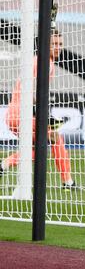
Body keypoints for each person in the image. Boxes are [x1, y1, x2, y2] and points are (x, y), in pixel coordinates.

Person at [0, 29, 77, 190]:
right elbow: (33, 92)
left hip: (14, 115)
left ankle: (3, 165)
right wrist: (45, 116)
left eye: (60, 44)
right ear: (45, 45)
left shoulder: (39, 61)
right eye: (54, 44)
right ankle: (68, 182)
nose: (58, 47)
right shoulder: (45, 64)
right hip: (24, 114)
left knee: (38, 150)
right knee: (55, 139)